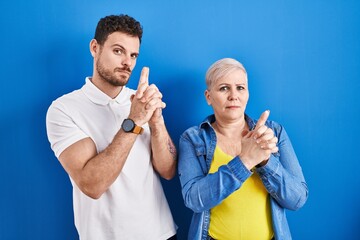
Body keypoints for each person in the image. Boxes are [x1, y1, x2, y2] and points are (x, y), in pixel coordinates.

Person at [46, 14, 178, 240]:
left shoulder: (140, 101)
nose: (127, 62)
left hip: (162, 233)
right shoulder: (63, 109)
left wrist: (156, 122)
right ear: (95, 47)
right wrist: (134, 121)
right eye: (118, 51)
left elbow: (168, 171)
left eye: (133, 55)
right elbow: (92, 185)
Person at [178, 58, 308, 240]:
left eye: (240, 87)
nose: (233, 96)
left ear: (247, 93)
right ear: (208, 97)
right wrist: (245, 161)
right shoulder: (193, 138)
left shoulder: (274, 132)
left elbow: (297, 199)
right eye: (224, 88)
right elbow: (194, 200)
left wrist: (265, 161)